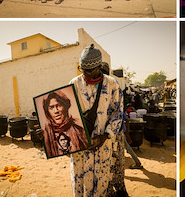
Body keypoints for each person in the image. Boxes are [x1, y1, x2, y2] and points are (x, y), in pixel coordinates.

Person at [69, 44, 124, 197]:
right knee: (79, 184)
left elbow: (118, 113)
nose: (86, 74)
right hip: (80, 148)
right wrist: (49, 130)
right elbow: (66, 115)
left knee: (101, 185)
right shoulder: (73, 84)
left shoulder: (112, 84)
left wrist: (105, 136)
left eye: (90, 70)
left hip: (102, 146)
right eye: (83, 70)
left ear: (99, 66)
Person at [41, 90, 88, 157]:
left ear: (66, 107)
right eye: (51, 107)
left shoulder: (79, 132)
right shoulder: (47, 133)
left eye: (59, 105)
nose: (56, 111)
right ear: (47, 112)